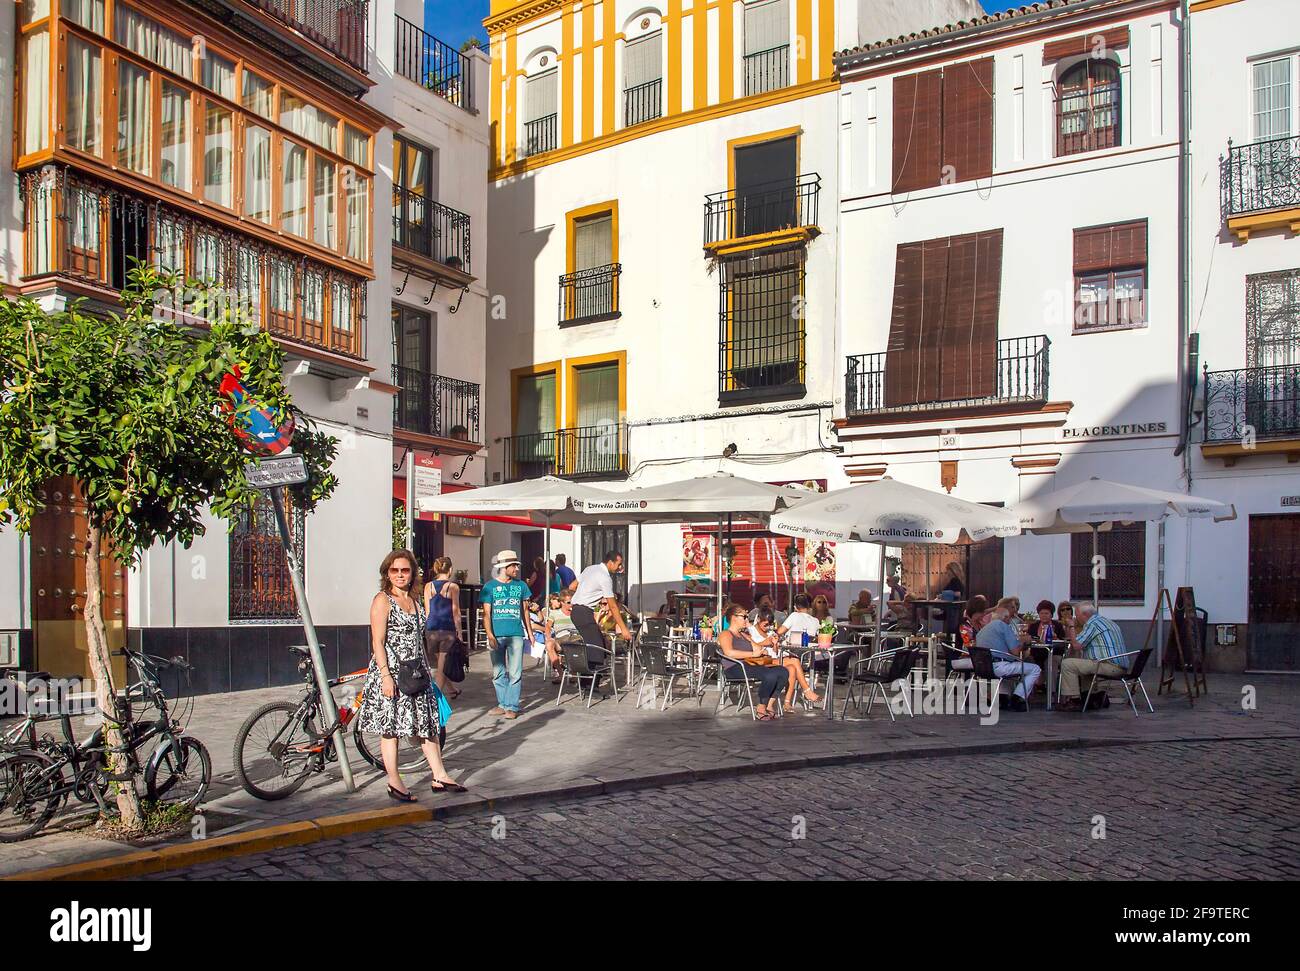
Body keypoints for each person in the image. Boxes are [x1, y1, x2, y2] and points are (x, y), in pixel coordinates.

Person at [358, 550, 464, 801]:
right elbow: (378, 641)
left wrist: (428, 671)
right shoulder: (383, 600)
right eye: (394, 570)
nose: (399, 575)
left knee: (428, 723)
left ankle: (439, 774)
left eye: (404, 570)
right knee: (391, 727)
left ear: (413, 572)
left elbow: (418, 639)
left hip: (416, 671)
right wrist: (385, 676)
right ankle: (394, 781)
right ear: (387, 573)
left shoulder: (416, 602)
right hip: (392, 672)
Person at [951, 603, 1041, 712]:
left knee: (1011, 666)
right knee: (1035, 669)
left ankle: (1002, 697)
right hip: (999, 667)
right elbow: (1016, 652)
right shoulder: (1003, 626)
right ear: (1006, 617)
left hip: (983, 668)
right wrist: (1024, 642)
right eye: (1009, 618)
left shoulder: (982, 630)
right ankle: (1018, 698)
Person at [480, 549, 535, 720]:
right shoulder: (490, 587)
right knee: (498, 672)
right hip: (496, 634)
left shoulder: (521, 586)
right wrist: (489, 634)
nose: (517, 569)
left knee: (515, 671)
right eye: (514, 566)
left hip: (516, 634)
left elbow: (525, 611)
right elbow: (486, 613)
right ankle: (503, 703)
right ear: (505, 567)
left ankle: (512, 706)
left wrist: (530, 633)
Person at [716, 604, 789, 721]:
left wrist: (765, 649)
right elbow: (729, 652)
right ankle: (761, 707)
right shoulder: (726, 634)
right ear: (734, 618)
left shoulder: (745, 635)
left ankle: (769, 704)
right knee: (769, 675)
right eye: (744, 616)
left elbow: (757, 648)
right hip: (734, 667)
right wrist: (752, 654)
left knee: (783, 671)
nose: (747, 619)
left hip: (750, 664)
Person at [1056, 602, 1130, 712]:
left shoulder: (1093, 624)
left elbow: (1076, 645)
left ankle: (1074, 700)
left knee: (1067, 664)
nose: (1076, 617)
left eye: (1077, 614)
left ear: (1085, 614)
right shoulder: (1107, 622)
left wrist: (1071, 625)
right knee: (1085, 664)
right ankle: (1089, 698)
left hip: (1110, 665)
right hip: (1119, 665)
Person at [571, 550, 634, 670]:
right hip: (584, 612)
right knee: (596, 649)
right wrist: (624, 629)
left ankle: (588, 680)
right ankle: (590, 684)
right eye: (619, 564)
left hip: (576, 611)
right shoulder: (605, 578)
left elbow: (572, 586)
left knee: (598, 643)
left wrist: (587, 595)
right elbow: (613, 606)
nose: (620, 567)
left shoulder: (590, 568)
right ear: (610, 562)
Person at [749, 608, 820, 709]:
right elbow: (752, 646)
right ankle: (807, 691)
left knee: (792, 668)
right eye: (765, 624)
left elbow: (776, 652)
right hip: (761, 660)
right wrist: (766, 642)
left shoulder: (770, 632)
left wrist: (775, 645)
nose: (767, 627)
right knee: (795, 660)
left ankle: (787, 703)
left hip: (773, 659)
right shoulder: (751, 631)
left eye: (769, 625)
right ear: (759, 619)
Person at [422, 556, 462, 699]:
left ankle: (452, 690)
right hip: (447, 628)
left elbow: (427, 611)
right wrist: (460, 633)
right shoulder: (453, 587)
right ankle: (436, 699)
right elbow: (455, 611)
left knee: (443, 663)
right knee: (442, 667)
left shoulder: (428, 586)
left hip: (431, 628)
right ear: (450, 569)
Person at [543, 591, 581, 682]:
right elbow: (548, 626)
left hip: (575, 637)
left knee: (577, 642)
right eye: (569, 602)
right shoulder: (555, 613)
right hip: (560, 639)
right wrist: (548, 637)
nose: (571, 604)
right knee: (549, 644)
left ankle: (574, 673)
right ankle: (560, 673)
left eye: (573, 602)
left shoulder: (577, 613)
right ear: (562, 602)